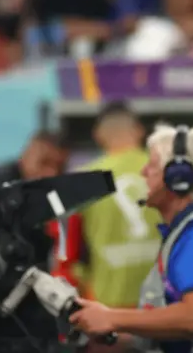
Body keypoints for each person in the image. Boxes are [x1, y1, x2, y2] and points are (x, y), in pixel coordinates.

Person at [70, 124, 193, 353]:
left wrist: (112, 317)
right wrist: (112, 334)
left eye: (152, 165)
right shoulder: (190, 231)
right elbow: (179, 329)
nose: (143, 172)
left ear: (178, 178)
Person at [53, 101, 162, 308]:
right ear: (139, 131)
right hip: (163, 307)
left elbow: (65, 255)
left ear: (98, 135)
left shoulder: (77, 182)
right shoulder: (164, 170)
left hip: (107, 311)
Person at [0, 130, 69, 351]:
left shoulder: (55, 197)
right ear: (27, 155)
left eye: (58, 167)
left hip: (34, 311)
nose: (49, 172)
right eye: (43, 162)